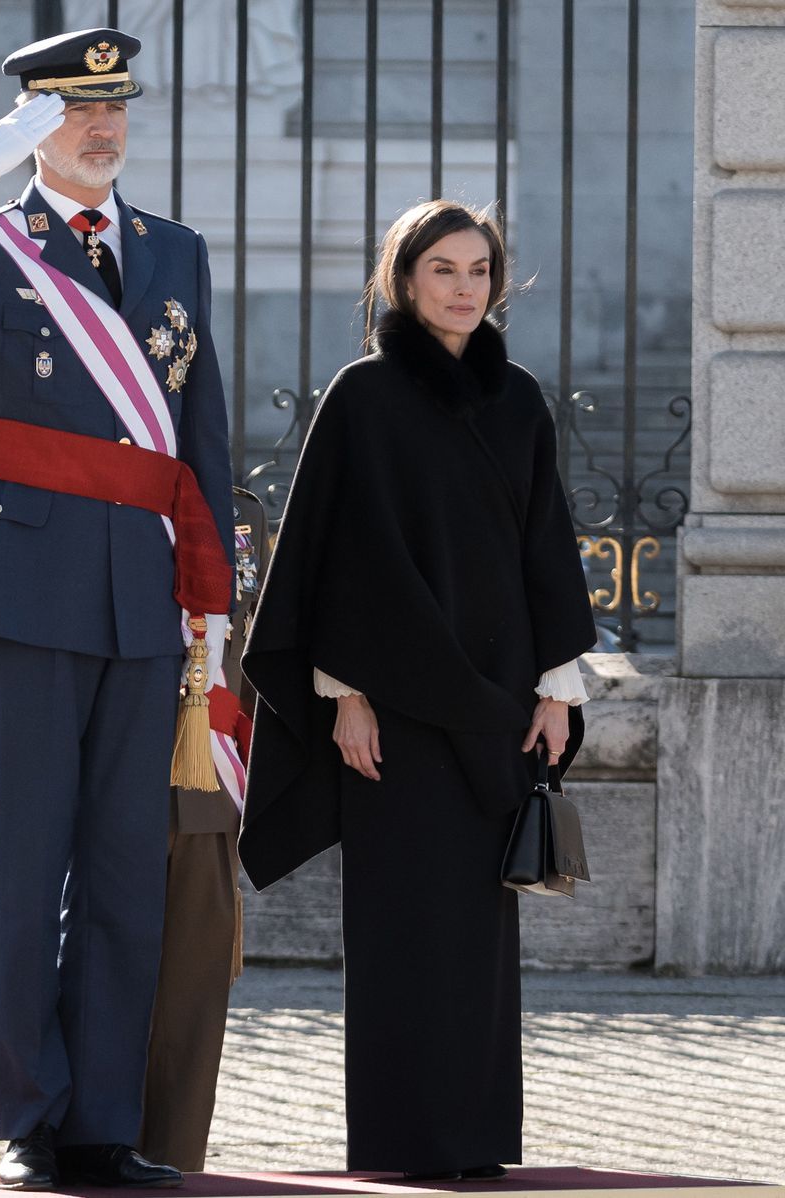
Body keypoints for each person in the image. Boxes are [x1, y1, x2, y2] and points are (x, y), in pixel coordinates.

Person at [0, 27, 234, 1193]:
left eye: (114, 106)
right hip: (26, 592)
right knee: (27, 871)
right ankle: (30, 1115)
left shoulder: (173, 249)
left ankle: (103, 1125)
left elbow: (201, 427)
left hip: (142, 597)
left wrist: (211, 598)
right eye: (75, 110)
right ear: (33, 125)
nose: (103, 127)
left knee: (125, 870)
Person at [237, 200, 597, 1179]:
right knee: (401, 925)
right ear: (403, 280)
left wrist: (556, 687)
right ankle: (402, 1143)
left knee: (478, 935)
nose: (464, 287)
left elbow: (545, 543)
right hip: (390, 708)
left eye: (479, 270)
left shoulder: (517, 398)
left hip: (498, 707)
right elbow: (334, 553)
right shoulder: (363, 395)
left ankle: (477, 1141)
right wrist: (344, 694)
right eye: (443, 269)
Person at [139, 486, 269, 1172]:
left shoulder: (237, 513)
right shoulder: (109, 485)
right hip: (112, 772)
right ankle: (92, 1145)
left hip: (204, 785)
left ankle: (175, 1158)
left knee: (193, 990)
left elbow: (252, 653)